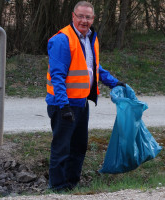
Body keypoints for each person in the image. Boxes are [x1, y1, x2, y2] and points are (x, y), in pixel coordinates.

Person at [46, 1, 126, 192]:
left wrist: (114, 82)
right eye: (80, 16)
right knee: (62, 147)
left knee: (79, 146)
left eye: (88, 17)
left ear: (93, 19)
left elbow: (93, 68)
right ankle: (57, 188)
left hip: (81, 102)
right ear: (73, 16)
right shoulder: (62, 40)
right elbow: (57, 76)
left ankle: (72, 185)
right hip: (64, 104)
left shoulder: (91, 38)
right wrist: (63, 105)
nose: (84, 20)